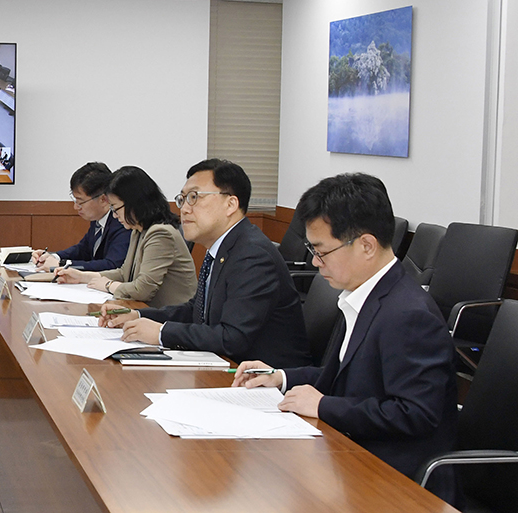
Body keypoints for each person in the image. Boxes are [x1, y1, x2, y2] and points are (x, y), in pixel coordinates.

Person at [232, 173, 458, 505]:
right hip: (354, 455)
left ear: (366, 245)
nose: (314, 261)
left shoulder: (408, 315)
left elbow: (414, 414)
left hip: (397, 481)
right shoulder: (363, 294)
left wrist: (323, 405)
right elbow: (341, 376)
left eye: (322, 250)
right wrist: (280, 377)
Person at [98, 159, 311, 367]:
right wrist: (138, 315)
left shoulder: (252, 255)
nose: (184, 209)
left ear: (230, 204)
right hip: (228, 368)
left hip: (265, 383)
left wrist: (161, 333)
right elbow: (197, 311)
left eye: (194, 197)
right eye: (182, 199)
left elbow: (233, 337)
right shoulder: (224, 248)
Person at [56, 166, 196, 308]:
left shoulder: (161, 234)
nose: (115, 216)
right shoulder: (138, 230)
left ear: (134, 204)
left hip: (172, 318)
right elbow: (124, 273)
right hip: (148, 312)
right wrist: (82, 276)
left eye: (116, 209)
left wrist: (109, 285)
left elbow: (142, 290)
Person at [32, 162, 131, 272]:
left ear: (103, 200)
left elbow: (112, 264)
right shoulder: (97, 220)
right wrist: (54, 257)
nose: (75, 207)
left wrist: (61, 264)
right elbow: (83, 249)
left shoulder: (121, 222)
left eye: (80, 202)